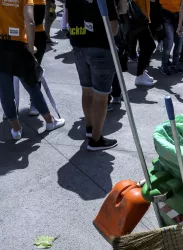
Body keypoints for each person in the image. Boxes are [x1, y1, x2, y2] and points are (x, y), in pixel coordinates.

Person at [66, 0, 127, 151]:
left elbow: (68, 20)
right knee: (101, 95)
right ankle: (96, 139)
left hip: (79, 45)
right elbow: (113, 28)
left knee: (86, 90)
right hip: (100, 47)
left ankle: (90, 127)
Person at [0, 0, 65, 140]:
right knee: (32, 85)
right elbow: (30, 22)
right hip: (19, 46)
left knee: (5, 91)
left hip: (1, 45)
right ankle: (49, 120)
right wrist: (31, 46)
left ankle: (16, 129)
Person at [28, 0, 49, 116]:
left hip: (36, 36)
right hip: (17, 36)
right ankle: (11, 107)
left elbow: (37, 19)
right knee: (11, 73)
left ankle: (35, 103)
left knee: (34, 71)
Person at [130, 0, 156, 86]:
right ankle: (139, 75)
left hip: (141, 18)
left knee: (146, 46)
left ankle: (141, 72)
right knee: (149, 46)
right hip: (138, 19)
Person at [159, 0, 183, 75]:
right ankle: (164, 65)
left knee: (179, 42)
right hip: (166, 13)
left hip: (179, 13)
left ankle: (174, 65)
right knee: (169, 42)